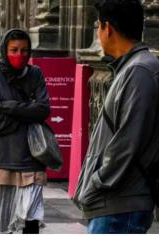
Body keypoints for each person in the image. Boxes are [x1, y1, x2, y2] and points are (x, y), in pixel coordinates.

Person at [74, 0, 159, 233]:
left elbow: (126, 144)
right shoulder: (131, 67)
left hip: (120, 205)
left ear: (107, 28)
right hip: (114, 203)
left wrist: (97, 183)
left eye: (98, 27)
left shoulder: (140, 71)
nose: (99, 33)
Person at [0, 28, 50, 234]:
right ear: (4, 50)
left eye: (24, 50)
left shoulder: (35, 74)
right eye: (14, 50)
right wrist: (27, 115)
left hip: (31, 157)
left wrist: (9, 107)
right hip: (0, 158)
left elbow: (43, 109)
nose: (19, 55)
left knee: (31, 221)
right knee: (1, 225)